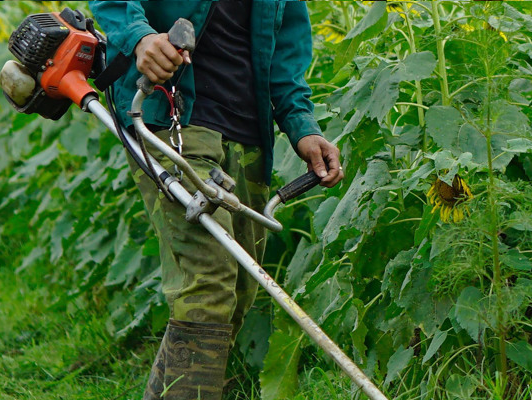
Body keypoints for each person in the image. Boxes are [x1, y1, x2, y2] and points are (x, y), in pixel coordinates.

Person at [89, 1, 343, 399]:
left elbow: (286, 57)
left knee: (238, 291)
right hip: (172, 119)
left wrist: (302, 127)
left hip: (247, 136)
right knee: (209, 282)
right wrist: (140, 37)